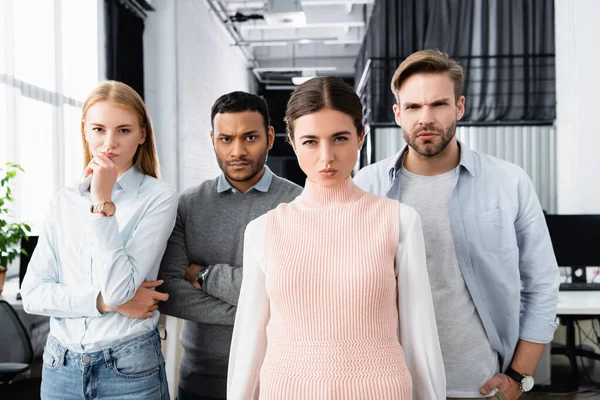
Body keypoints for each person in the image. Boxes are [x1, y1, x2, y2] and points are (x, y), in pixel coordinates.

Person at [354, 50, 560, 400]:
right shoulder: (366, 186)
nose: (426, 118)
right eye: (415, 107)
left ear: (459, 107)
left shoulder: (508, 182)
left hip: (480, 386)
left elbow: (541, 284)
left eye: (439, 104)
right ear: (398, 114)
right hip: (390, 384)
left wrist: (519, 376)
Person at [228, 77, 445, 400]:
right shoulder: (264, 230)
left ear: (360, 137)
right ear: (292, 141)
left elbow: (420, 336)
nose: (326, 156)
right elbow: (250, 339)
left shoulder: (398, 220)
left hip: (380, 391)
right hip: (286, 390)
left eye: (339, 138)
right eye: (311, 141)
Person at [21, 81, 178, 399]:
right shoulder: (63, 201)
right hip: (59, 365)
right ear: (85, 131)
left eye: (123, 130)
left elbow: (121, 288)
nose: (110, 143)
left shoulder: (159, 197)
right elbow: (33, 295)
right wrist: (102, 303)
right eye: (98, 129)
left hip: (128, 367)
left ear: (142, 134)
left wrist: (102, 203)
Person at [157, 91, 302, 400]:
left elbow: (296, 296)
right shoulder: (188, 204)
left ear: (270, 136)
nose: (237, 150)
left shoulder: (298, 204)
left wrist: (203, 276)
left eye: (250, 137)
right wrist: (261, 307)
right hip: (201, 379)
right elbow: (169, 293)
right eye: (226, 139)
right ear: (213, 139)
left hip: (278, 378)